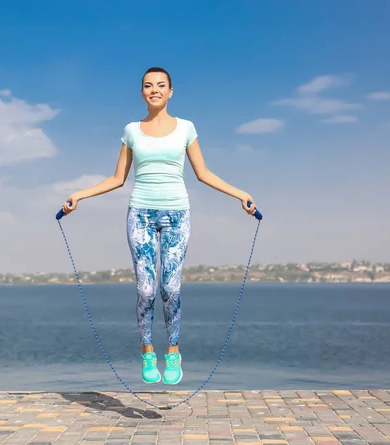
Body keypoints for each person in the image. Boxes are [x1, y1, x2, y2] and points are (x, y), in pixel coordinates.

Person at [61, 67, 257, 385]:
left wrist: (240, 195)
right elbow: (117, 178)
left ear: (170, 91)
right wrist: (79, 196)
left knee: (170, 288)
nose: (154, 90)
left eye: (161, 85)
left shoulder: (186, 128)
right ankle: (148, 352)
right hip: (140, 213)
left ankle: (174, 352)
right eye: (148, 86)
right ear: (142, 92)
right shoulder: (131, 131)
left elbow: (203, 173)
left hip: (177, 214)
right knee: (147, 290)